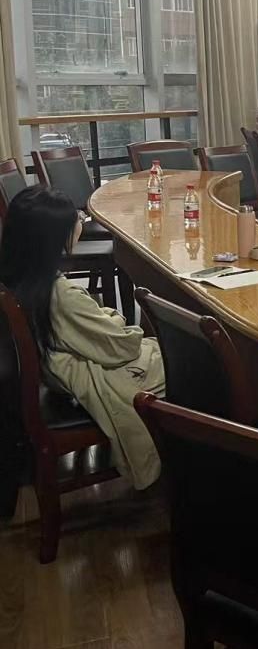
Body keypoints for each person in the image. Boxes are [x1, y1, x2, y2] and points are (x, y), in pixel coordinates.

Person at [0, 187, 163, 489]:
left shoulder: (18, 280)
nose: (80, 222)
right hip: (82, 377)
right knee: (188, 367)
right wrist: (115, 318)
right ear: (54, 239)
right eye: (75, 220)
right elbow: (122, 345)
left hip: (53, 377)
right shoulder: (61, 295)